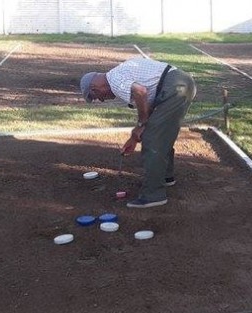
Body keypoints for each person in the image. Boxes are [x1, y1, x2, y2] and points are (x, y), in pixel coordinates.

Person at [80, 57, 197, 209]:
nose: (101, 100)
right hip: (178, 84)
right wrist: (135, 137)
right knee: (159, 133)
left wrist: (141, 125)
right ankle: (165, 177)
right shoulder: (118, 74)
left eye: (96, 97)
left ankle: (153, 195)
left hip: (175, 88)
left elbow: (140, 92)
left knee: (153, 139)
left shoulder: (114, 80)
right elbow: (145, 104)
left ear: (95, 88)